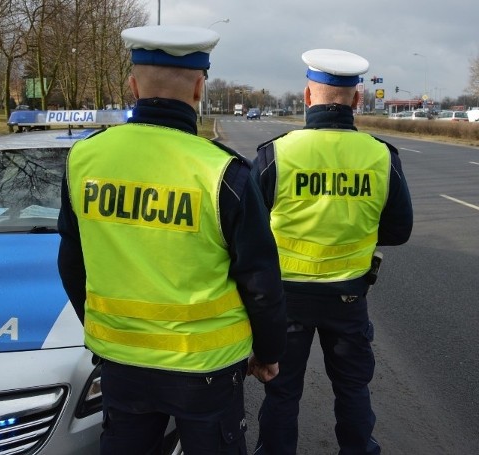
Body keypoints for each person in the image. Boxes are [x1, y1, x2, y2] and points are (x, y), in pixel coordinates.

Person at [57, 25, 287, 455]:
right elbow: (261, 282)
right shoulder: (225, 174)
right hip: (206, 371)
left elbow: (71, 261)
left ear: (132, 85)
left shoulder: (84, 159)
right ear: (200, 87)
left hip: (122, 365)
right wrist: (269, 351)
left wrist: (103, 330)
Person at [250, 48, 413, 455]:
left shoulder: (277, 154)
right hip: (349, 296)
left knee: (282, 393)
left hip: (286, 301)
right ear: (357, 100)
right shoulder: (380, 156)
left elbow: (247, 235)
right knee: (353, 388)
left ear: (307, 97)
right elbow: (398, 230)